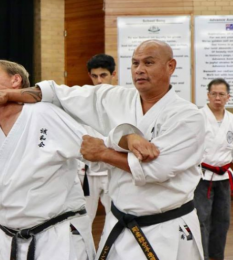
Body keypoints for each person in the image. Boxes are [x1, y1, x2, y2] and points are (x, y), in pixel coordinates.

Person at [0, 40, 206, 260]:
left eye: (149, 62)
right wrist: (10, 95)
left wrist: (103, 152)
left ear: (171, 66)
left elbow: (157, 169)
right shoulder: (115, 98)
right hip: (120, 223)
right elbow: (59, 94)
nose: (140, 69)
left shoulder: (188, 116)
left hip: (165, 228)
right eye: (135, 63)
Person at [0, 60, 96, 260]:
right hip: (7, 238)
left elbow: (97, 150)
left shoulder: (45, 114)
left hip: (56, 237)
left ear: (15, 80)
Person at [194, 78, 233, 260]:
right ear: (208, 95)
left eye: (221, 94)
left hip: (224, 178)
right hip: (201, 178)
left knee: (222, 222)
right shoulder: (198, 117)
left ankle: (217, 257)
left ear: (228, 97)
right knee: (202, 220)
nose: (217, 98)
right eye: (214, 94)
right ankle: (201, 256)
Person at [78, 54, 116, 225]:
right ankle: (85, 253)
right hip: (88, 171)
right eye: (95, 76)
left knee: (116, 218)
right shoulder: (81, 101)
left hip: (113, 169)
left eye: (103, 75)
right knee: (84, 220)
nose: (99, 81)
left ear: (113, 75)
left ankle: (112, 253)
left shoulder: (124, 101)